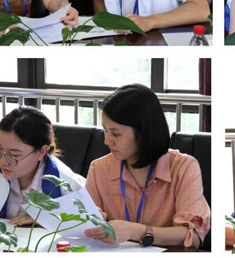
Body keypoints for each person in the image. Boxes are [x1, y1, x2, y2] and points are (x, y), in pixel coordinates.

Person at [84, 84, 210, 248]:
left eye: (116, 133)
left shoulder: (183, 167)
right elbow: (86, 224)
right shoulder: (99, 169)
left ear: (144, 132)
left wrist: (135, 231)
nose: (107, 140)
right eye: (105, 130)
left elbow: (193, 237)